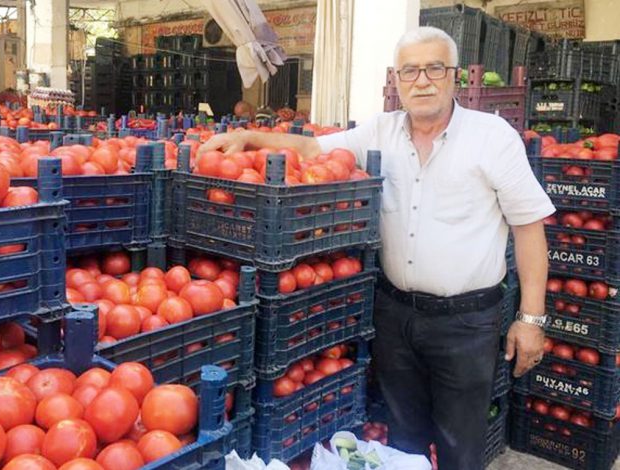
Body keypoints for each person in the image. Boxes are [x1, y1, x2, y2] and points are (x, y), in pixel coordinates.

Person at [197, 26, 554, 470]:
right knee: (402, 442)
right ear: (397, 79)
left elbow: (529, 228)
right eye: (410, 70)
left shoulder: (493, 137)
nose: (422, 80)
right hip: (395, 314)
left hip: (466, 322)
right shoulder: (379, 132)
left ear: (455, 76)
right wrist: (250, 139)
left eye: (434, 68)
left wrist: (531, 319)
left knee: (462, 445)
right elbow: (311, 147)